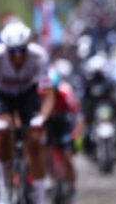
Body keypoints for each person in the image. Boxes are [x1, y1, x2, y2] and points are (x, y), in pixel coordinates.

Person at [0, 21, 53, 204]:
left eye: (22, 50)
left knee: (35, 137)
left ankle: (40, 194)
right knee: (3, 130)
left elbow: (49, 95)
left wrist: (41, 118)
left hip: (27, 93)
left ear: (28, 47)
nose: (18, 56)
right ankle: (4, 185)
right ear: (6, 49)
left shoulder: (39, 56)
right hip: (1, 94)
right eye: (12, 51)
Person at [42, 64, 81, 202]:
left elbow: (77, 115)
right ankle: (47, 175)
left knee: (67, 157)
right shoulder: (40, 94)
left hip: (63, 125)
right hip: (48, 124)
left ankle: (72, 186)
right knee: (44, 148)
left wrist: (75, 133)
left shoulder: (66, 94)